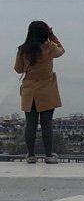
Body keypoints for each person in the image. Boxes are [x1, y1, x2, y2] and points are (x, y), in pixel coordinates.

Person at [14, 21, 65, 164]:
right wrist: (52, 36)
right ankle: (48, 155)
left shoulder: (23, 50)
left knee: (30, 124)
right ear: (45, 33)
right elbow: (62, 50)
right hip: (47, 90)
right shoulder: (50, 48)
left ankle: (31, 155)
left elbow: (18, 69)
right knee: (46, 124)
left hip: (29, 91)